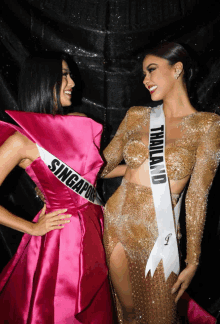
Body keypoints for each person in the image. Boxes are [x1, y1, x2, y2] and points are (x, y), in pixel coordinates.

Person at [100, 42, 220, 323]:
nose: (145, 80)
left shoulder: (208, 125)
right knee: (127, 314)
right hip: (116, 222)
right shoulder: (137, 116)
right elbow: (100, 167)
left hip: (157, 233)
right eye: (143, 73)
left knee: (160, 316)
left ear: (177, 69)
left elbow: (197, 196)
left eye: (152, 70)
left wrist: (193, 260)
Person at [0, 53, 113, 323]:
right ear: (43, 80)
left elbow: (93, 175)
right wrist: (32, 227)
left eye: (70, 74)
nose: (72, 82)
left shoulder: (78, 121)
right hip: (62, 238)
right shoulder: (21, 142)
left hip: (96, 224)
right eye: (63, 74)